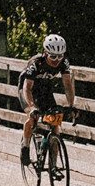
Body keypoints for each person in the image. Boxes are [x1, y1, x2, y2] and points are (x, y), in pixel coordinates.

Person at [19, 32, 76, 161]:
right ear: (45, 53)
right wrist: (32, 107)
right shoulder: (36, 63)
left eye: (60, 56)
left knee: (55, 124)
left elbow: (68, 85)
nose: (57, 61)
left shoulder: (64, 63)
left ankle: (54, 165)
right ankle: (25, 145)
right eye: (53, 57)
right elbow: (27, 88)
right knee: (33, 117)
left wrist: (71, 106)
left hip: (45, 89)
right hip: (28, 89)